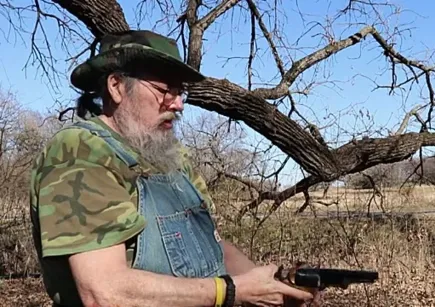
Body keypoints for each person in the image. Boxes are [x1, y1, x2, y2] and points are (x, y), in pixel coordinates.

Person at [29, 30, 319, 307]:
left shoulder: (170, 155)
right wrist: (233, 291)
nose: (178, 104)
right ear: (116, 86)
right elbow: (105, 292)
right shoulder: (81, 152)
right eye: (165, 90)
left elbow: (213, 245)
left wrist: (271, 287)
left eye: (181, 92)